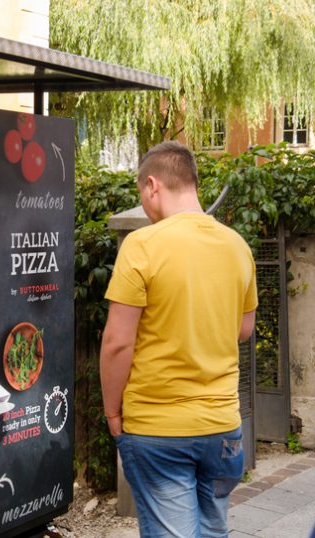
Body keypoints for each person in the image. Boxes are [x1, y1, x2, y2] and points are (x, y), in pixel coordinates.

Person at [100, 141, 258, 537]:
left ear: (152, 185)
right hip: (223, 428)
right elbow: (243, 329)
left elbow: (118, 342)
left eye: (142, 193)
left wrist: (112, 412)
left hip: (159, 427)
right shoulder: (237, 246)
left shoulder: (142, 245)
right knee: (211, 530)